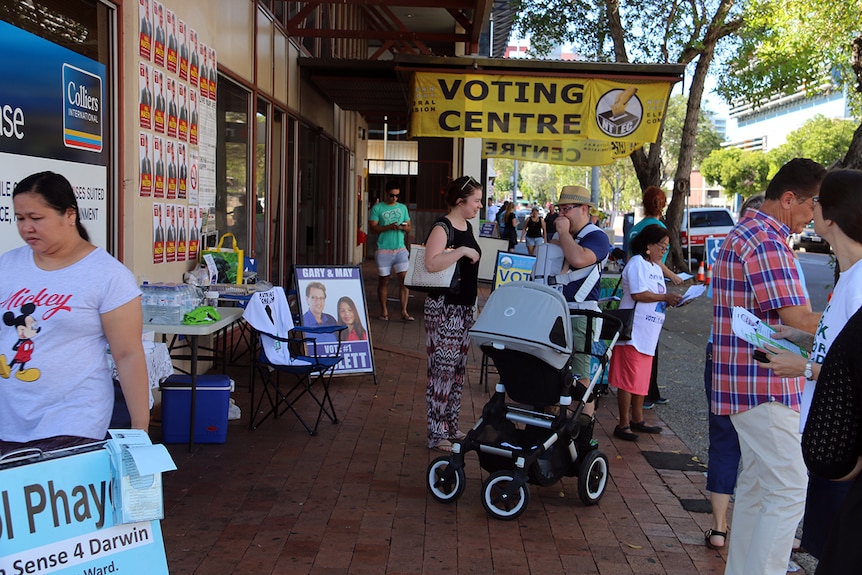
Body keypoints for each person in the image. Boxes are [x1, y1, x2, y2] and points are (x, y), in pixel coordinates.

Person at [711, 157, 825, 575]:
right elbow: (798, 318)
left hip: (746, 379)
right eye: (813, 205)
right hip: (764, 383)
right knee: (791, 488)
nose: (814, 216)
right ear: (790, 198)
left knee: (760, 489)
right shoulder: (767, 241)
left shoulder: (746, 232)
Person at [0, 172, 149, 455]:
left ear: (69, 215)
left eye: (36, 218)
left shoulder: (107, 275)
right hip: (9, 420)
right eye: (20, 218)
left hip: (73, 421)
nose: (26, 228)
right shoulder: (7, 265)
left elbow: (128, 354)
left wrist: (139, 428)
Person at [758, 169, 862, 564]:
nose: (811, 208)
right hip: (831, 443)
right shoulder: (850, 276)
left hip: (845, 449)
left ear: (832, 217)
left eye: (818, 202)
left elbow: (851, 371)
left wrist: (803, 368)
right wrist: (799, 336)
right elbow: (840, 349)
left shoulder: (859, 281)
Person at [703, 193, 764, 551]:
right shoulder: (770, 253)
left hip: (721, 356)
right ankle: (748, 531)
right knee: (757, 450)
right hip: (757, 363)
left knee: (724, 441)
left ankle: (720, 527)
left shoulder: (725, 252)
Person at [534, 185, 611, 425]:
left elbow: (579, 259)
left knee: (581, 374)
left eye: (568, 209)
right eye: (560, 209)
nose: (563, 215)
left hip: (581, 315)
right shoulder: (563, 236)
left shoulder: (596, 236)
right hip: (556, 311)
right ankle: (552, 422)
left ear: (585, 209)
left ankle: (584, 427)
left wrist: (564, 235)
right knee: (551, 371)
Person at [422, 176, 482, 452]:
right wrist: (461, 250)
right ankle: (436, 432)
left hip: (464, 308)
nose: (479, 206)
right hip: (445, 308)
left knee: (457, 371)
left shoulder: (466, 226)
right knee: (441, 372)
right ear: (460, 201)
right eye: (476, 201)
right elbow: (431, 263)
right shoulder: (442, 227)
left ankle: (449, 425)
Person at [608, 224, 682, 441]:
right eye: (661, 246)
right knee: (627, 379)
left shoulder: (655, 268)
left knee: (641, 378)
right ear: (648, 245)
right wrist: (664, 298)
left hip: (649, 332)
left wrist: (671, 300)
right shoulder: (637, 263)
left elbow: (657, 296)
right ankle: (623, 423)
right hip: (634, 331)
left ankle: (637, 419)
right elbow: (639, 294)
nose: (664, 250)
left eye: (666, 247)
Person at [628, 186, 683, 409]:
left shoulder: (636, 228)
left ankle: (647, 392)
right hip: (648, 289)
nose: (664, 249)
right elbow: (655, 261)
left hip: (645, 287)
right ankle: (644, 394)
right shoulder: (657, 228)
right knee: (647, 346)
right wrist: (672, 276)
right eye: (663, 246)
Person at [369, 181, 412, 321]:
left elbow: (409, 227)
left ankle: (404, 311)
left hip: (400, 248)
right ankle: (384, 311)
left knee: (404, 280)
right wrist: (388, 227)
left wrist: (404, 228)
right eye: (392, 195)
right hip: (384, 249)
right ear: (386, 193)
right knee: (384, 280)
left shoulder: (403, 208)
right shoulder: (377, 208)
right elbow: (373, 228)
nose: (394, 198)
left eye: (397, 196)